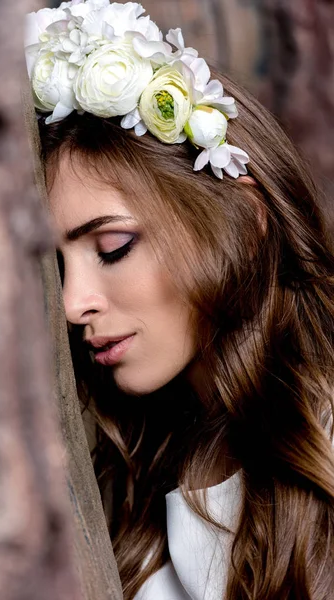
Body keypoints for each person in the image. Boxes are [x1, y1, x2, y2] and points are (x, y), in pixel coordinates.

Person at [25, 1, 334, 599]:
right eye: (59, 267)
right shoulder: (152, 477)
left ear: (244, 221)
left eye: (113, 247)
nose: (73, 305)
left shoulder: (320, 448)